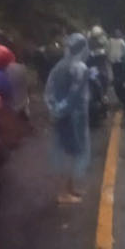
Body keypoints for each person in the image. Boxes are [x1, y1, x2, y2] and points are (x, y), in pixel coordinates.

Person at [45, 33, 92, 204]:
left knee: (65, 152)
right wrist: (62, 110)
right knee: (71, 154)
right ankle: (63, 193)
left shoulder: (59, 66)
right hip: (74, 117)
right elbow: (74, 95)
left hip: (63, 116)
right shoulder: (80, 68)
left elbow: (48, 91)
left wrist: (54, 109)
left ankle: (69, 189)